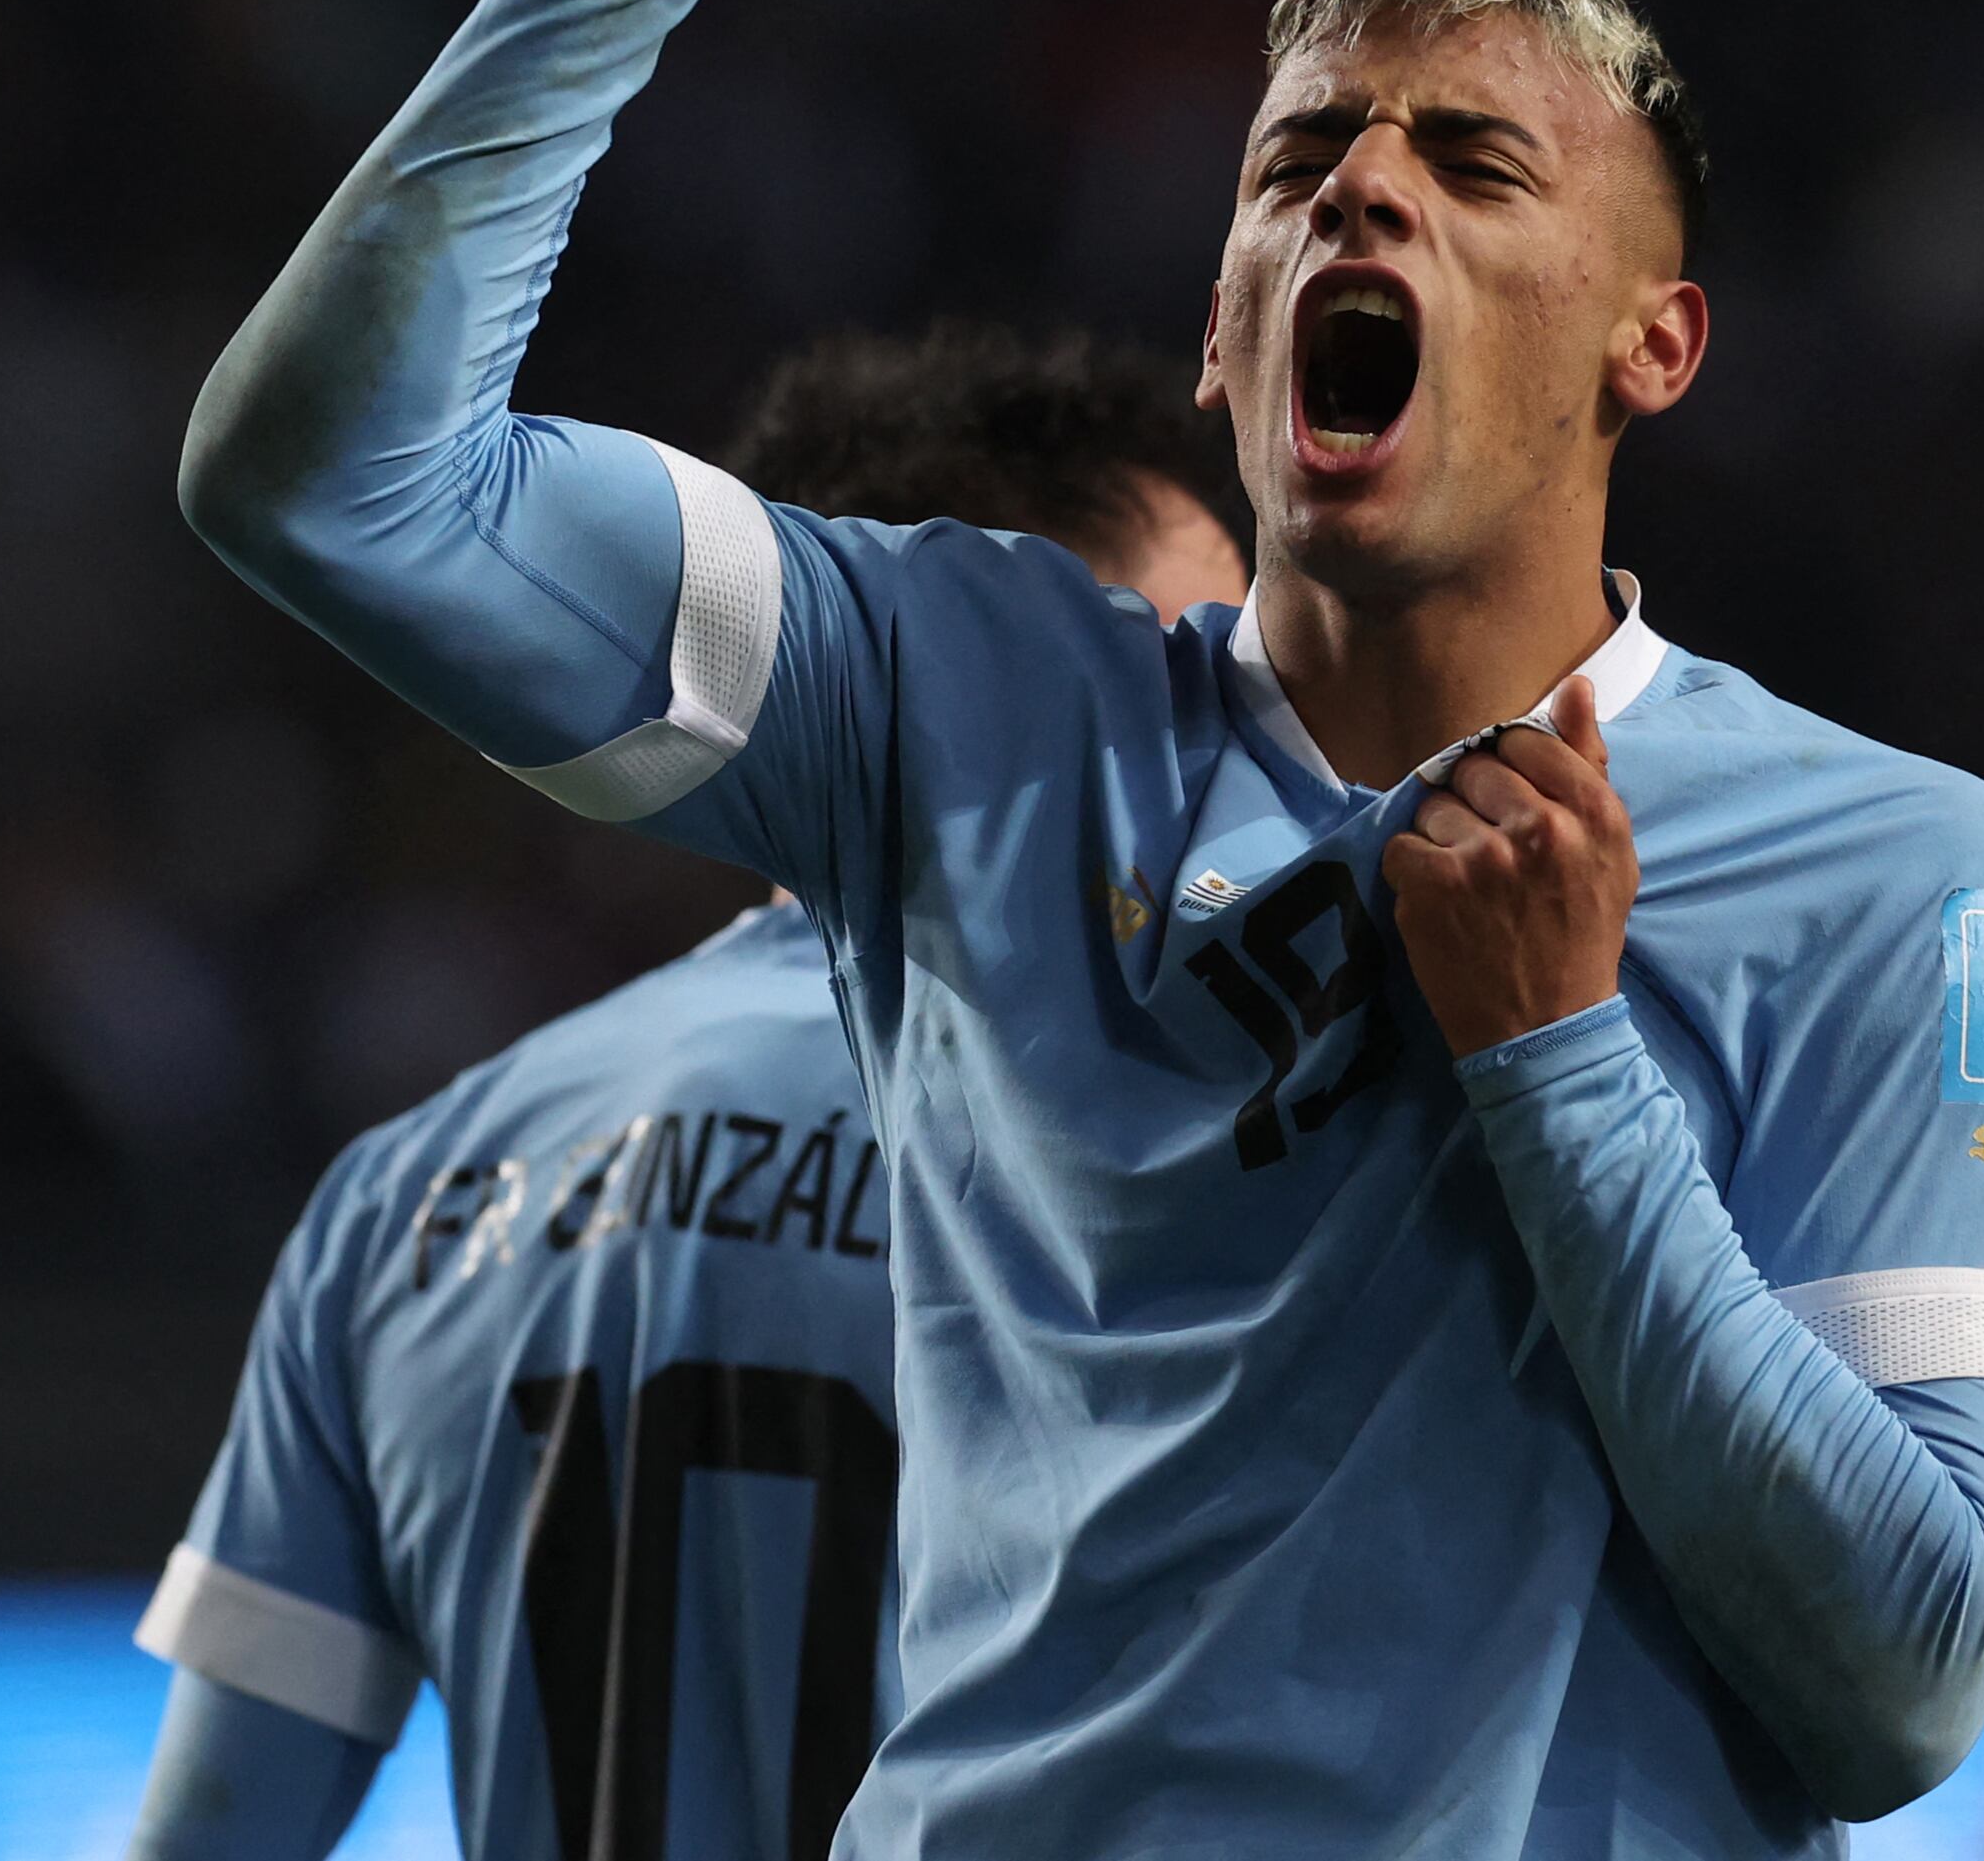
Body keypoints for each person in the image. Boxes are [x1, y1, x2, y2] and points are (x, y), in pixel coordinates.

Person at [178, 0, 1984, 1857]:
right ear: (1218, 324)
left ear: (1648, 346)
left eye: (1472, 164)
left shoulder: (1901, 877)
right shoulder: (963, 704)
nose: (1358, 196)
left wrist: (1560, 1075)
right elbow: (332, 485)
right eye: (1297, 162)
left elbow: (1906, 1675)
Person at [125, 327, 1248, 1861]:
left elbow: (212, 1833)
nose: (1260, 740)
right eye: (1202, 664)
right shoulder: (1178, 1157)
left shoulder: (402, 1195)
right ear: (1013, 674)